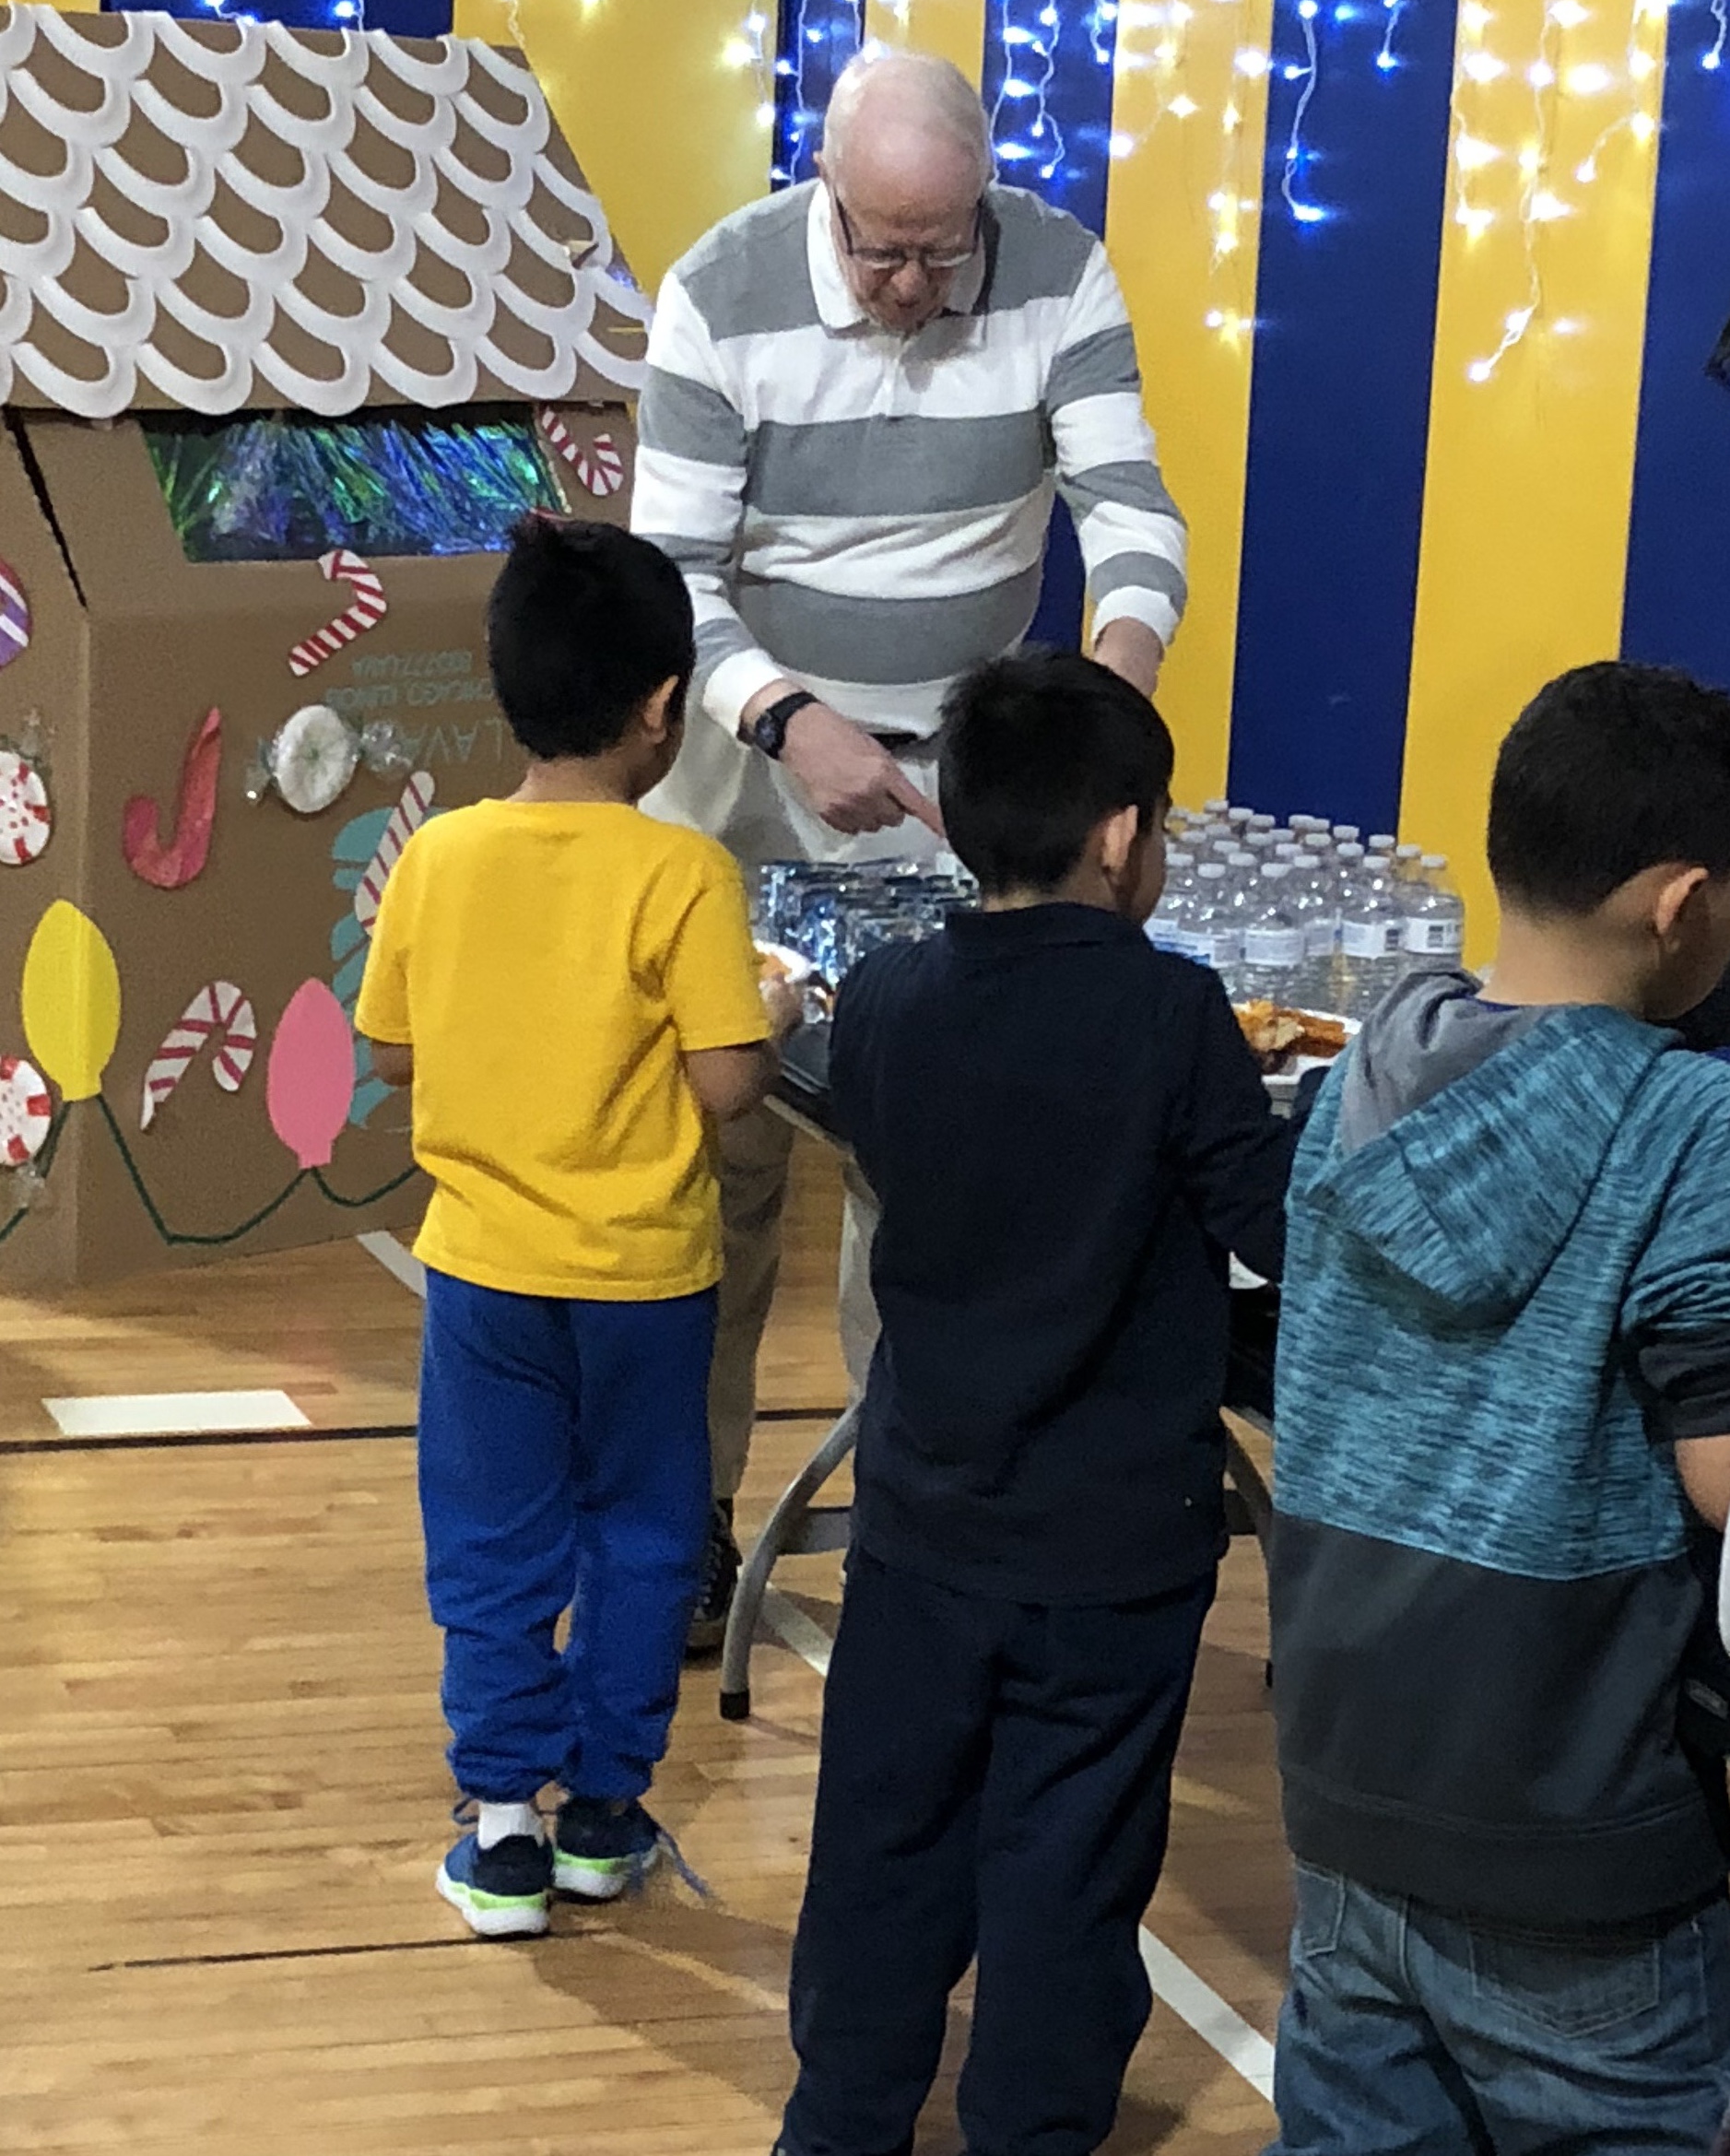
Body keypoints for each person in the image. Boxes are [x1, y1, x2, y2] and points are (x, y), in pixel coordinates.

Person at [632, 47, 1189, 1646]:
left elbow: (1131, 509)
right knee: (722, 1167)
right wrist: (789, 717)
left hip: (964, 790)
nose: (908, 283)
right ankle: (685, 1528)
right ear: (823, 193)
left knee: (926, 1169)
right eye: (878, 247)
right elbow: (672, 571)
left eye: (941, 252)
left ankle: (910, 1533)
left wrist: (1101, 695)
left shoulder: (1059, 269)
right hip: (747, 772)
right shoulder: (717, 293)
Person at [776, 651, 1289, 2156]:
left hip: (923, 1520)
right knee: (1068, 1867)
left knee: (881, 1849)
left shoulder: (881, 997)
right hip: (1112, 1545)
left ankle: (839, 2122)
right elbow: (1268, 1227)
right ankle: (1028, 2129)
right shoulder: (1173, 1012)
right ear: (1122, 834)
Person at [1266, 659, 1730, 2156]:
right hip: (1576, 1826)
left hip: (1346, 1781)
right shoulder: (1688, 1120)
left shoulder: (1354, 1084)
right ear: (1680, 905)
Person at [354, 514, 798, 1938]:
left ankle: (497, 1834)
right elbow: (729, 1090)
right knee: (642, 1537)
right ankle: (605, 1814)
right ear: (666, 708)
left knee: (490, 1539)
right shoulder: (683, 876)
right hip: (649, 1284)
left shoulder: (437, 859)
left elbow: (396, 1056)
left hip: (483, 1278)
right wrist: (775, 1009)